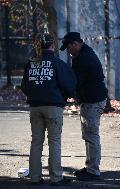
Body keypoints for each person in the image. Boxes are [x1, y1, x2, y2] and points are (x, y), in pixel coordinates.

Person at [21, 33, 76, 186]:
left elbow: (25, 86)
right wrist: (64, 96)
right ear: (52, 45)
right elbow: (69, 85)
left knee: (36, 142)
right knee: (54, 142)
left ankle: (35, 177)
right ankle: (56, 177)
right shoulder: (57, 63)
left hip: (35, 107)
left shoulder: (31, 63)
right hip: (53, 107)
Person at [60, 32, 108, 181]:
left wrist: (63, 96)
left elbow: (76, 81)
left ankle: (93, 171)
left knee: (91, 135)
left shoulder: (83, 58)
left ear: (75, 43)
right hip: (93, 99)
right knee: (89, 135)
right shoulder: (86, 53)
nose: (68, 51)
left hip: (92, 101)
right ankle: (90, 167)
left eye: (68, 47)